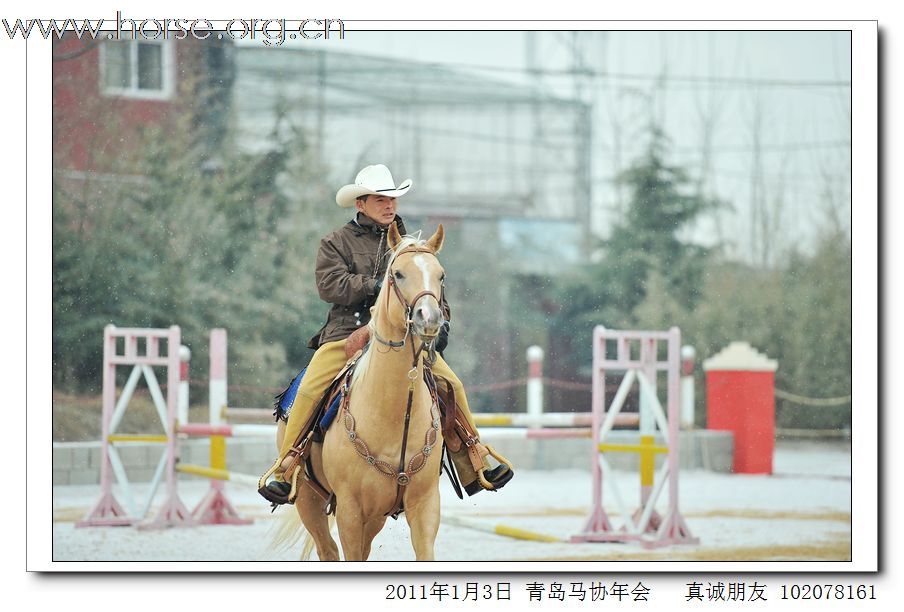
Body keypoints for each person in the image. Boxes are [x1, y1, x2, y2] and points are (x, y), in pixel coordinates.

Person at [260, 163, 513, 505]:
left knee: (451, 384)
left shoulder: (411, 248)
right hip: (345, 334)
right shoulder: (336, 242)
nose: (389, 205)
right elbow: (329, 284)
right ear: (360, 204)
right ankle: (287, 465)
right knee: (308, 390)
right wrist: (376, 286)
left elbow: (432, 291)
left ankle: (475, 455)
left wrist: (442, 324)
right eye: (380, 199)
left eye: (392, 198)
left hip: (403, 339)